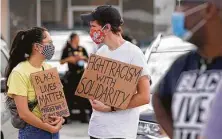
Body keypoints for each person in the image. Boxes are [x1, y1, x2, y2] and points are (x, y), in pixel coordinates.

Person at [152, 0, 222, 139]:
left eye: (182, 6)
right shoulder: (183, 64)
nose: (176, 14)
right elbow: (158, 98)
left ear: (208, 10)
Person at [81, 5, 151, 139]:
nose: (90, 31)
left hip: (120, 133)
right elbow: (92, 90)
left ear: (106, 28)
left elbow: (144, 96)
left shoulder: (133, 53)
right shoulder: (101, 52)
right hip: (96, 131)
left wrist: (111, 107)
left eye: (93, 26)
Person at [5, 27, 64, 139]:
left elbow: (56, 104)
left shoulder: (48, 68)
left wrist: (59, 119)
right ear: (37, 46)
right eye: (49, 43)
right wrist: (49, 128)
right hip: (33, 132)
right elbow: (24, 114)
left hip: (53, 130)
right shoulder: (19, 72)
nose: (52, 46)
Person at [60, 33, 90, 123]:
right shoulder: (67, 49)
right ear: (73, 39)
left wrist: (82, 58)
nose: (78, 39)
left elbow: (88, 59)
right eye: (77, 38)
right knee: (68, 96)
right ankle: (65, 118)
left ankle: (84, 117)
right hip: (71, 76)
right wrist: (70, 59)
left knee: (82, 96)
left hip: (81, 75)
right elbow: (61, 61)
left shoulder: (81, 48)